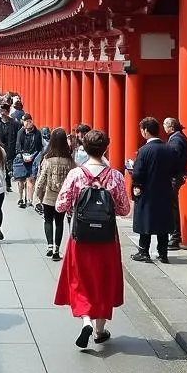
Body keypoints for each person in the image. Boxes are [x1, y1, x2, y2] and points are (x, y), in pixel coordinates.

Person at [54, 128, 131, 348]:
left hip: (81, 238)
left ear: (84, 149)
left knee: (81, 281)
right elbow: (125, 209)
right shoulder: (115, 176)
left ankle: (86, 320)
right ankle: (99, 330)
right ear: (106, 148)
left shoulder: (76, 175)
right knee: (104, 281)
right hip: (107, 239)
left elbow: (61, 205)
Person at [129, 116, 178, 263]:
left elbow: (138, 173)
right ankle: (163, 253)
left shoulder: (144, 150)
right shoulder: (169, 149)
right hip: (164, 190)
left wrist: (132, 171)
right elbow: (174, 170)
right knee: (162, 222)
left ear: (145, 131)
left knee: (146, 222)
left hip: (147, 192)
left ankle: (144, 251)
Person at [32, 128, 74, 260]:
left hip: (48, 195)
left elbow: (42, 178)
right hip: (63, 196)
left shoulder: (48, 160)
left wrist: (37, 195)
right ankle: (57, 249)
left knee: (48, 220)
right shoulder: (69, 161)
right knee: (60, 222)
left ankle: (49, 245)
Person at [163, 116, 187, 250]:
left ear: (171, 127)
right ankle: (174, 234)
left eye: (165, 124)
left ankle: (175, 236)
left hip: (174, 176)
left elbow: (172, 158)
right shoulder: (178, 138)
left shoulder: (176, 140)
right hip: (177, 175)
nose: (163, 127)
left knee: (172, 205)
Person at [13, 113, 43, 208]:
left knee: (31, 179)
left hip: (33, 158)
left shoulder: (37, 133)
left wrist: (33, 156)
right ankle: (21, 197)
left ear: (32, 121)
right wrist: (22, 155)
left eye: (29, 121)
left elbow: (39, 148)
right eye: (25, 121)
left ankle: (29, 199)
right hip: (22, 157)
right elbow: (18, 145)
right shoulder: (20, 132)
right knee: (21, 180)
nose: (27, 123)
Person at [0, 102, 21, 192]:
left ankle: (8, 183)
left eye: (4, 111)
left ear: (8, 112)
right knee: (1, 166)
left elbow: (19, 135)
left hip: (11, 147)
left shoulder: (14, 123)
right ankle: (2, 183)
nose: (2, 113)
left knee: (9, 166)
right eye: (1, 111)